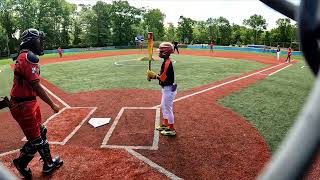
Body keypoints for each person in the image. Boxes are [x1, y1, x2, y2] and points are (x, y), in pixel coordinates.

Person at [10, 28, 63, 179]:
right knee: (36, 141)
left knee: (41, 133)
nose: (41, 42)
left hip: (27, 103)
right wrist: (52, 105)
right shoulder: (27, 57)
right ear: (31, 41)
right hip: (23, 105)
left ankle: (49, 163)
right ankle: (21, 163)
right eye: (39, 39)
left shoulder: (25, 56)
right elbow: (36, 86)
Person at [147, 42, 177, 136]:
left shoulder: (167, 63)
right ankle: (165, 124)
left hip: (169, 88)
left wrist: (154, 76)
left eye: (161, 51)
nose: (159, 52)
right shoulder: (165, 62)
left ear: (166, 52)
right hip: (166, 88)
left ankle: (171, 129)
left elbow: (163, 78)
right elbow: (162, 75)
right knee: (163, 106)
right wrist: (153, 76)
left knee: (168, 108)